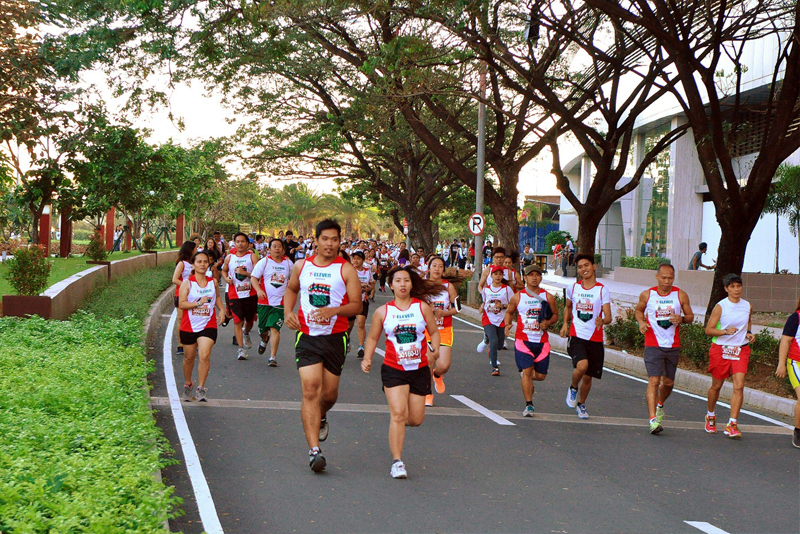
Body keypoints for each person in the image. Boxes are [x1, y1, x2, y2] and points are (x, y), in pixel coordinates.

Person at [284, 219, 363, 472]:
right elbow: (291, 289)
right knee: (310, 390)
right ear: (316, 240)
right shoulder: (301, 266)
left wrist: (334, 311)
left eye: (334, 239)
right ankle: (314, 450)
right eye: (325, 239)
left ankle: (322, 414)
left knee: (328, 396)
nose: (330, 244)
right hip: (307, 337)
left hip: (335, 338)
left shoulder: (346, 270)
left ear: (340, 241)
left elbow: (357, 306)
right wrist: (287, 311)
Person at [360, 266, 443, 479]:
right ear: (391, 285)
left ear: (411, 284)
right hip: (393, 368)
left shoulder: (422, 308)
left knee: (414, 419)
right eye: (398, 281)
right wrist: (368, 358)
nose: (403, 284)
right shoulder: (383, 312)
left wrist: (433, 352)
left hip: (418, 369)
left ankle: (396, 424)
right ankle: (397, 462)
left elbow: (434, 332)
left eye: (406, 280)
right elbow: (372, 338)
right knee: (398, 414)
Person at [634, 263, 694, 434]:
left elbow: (690, 316)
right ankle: (653, 420)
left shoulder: (680, 295)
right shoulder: (648, 294)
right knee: (654, 381)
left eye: (670, 278)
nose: (667, 281)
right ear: (657, 277)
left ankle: (660, 405)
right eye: (664, 278)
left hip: (672, 345)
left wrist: (681, 318)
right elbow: (638, 310)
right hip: (653, 344)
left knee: (668, 383)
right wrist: (641, 322)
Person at [560, 253, 612, 419]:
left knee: (588, 376)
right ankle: (573, 387)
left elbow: (609, 317)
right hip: (577, 335)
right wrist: (565, 324)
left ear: (594, 266)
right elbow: (568, 307)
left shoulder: (602, 290)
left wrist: (601, 321)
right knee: (581, 366)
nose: (584, 269)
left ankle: (581, 404)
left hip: (595, 338)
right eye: (580, 267)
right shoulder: (573, 288)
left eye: (586, 265)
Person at [703, 273, 754, 438]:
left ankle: (732, 423)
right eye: (732, 286)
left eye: (738, 286)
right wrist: (725, 331)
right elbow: (708, 329)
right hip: (721, 349)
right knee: (717, 386)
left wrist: (749, 332)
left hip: (740, 349)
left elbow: (748, 321)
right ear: (726, 289)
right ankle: (710, 415)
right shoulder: (721, 307)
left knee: (739, 386)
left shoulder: (747, 305)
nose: (736, 289)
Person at [504, 264, 558, 415]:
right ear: (525, 278)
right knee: (527, 371)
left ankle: (526, 378)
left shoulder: (548, 297)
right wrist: (508, 324)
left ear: (541, 277)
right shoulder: (518, 297)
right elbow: (509, 312)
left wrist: (548, 323)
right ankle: (529, 405)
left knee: (540, 376)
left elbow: (555, 315)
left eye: (537, 274)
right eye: (531, 275)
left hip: (542, 342)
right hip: (523, 341)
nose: (534, 277)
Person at [178, 250, 226, 402]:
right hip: (189, 325)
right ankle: (188, 383)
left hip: (208, 324)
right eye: (199, 261)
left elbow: (217, 297)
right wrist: (198, 303)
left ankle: (201, 388)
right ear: (193, 264)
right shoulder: (187, 283)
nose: (203, 264)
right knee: (189, 357)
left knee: (204, 355)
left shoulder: (213, 282)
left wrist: (222, 310)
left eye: (205, 261)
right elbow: (182, 304)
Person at [251, 238, 293, 366]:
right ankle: (264, 339)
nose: (277, 248)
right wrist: (258, 290)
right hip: (264, 302)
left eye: (279, 246)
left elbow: (293, 279)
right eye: (274, 246)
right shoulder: (264, 262)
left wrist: (290, 288)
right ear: (269, 249)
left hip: (280, 302)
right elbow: (254, 278)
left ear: (283, 249)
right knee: (262, 329)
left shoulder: (289, 263)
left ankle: (272, 357)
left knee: (275, 328)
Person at [423, 256, 459, 406]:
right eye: (434, 266)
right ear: (429, 268)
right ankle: (428, 394)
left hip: (444, 329)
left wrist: (443, 313)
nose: (437, 269)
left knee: (443, 365)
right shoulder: (422, 286)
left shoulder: (448, 286)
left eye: (440, 266)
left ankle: (437, 375)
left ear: (443, 270)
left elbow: (458, 308)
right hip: (426, 330)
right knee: (428, 361)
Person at [222, 233, 259, 360]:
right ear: (234, 243)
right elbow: (224, 270)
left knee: (249, 321)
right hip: (234, 294)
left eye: (243, 241)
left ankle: (246, 332)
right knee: (237, 320)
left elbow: (258, 275)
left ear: (247, 244)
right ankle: (241, 349)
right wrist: (226, 278)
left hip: (250, 294)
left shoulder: (252, 257)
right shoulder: (229, 257)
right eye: (238, 241)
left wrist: (246, 273)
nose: (240, 244)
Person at [477, 265, 513, 376]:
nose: (497, 276)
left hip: (502, 319)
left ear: (503, 276)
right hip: (488, 318)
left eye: (500, 274)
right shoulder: (486, 289)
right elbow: (483, 304)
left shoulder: (507, 289)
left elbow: (513, 305)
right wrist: (481, 308)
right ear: (491, 276)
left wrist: (503, 305)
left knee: (499, 344)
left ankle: (489, 344)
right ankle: (495, 367)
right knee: (494, 341)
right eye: (495, 274)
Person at [775, 295, 800, 448]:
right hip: (796, 363)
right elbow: (785, 340)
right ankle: (798, 430)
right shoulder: (795, 317)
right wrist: (781, 364)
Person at [172, 241, 198, 356]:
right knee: (181, 319)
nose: (197, 251)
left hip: (195, 295)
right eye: (195, 249)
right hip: (181, 295)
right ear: (190, 250)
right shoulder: (182, 264)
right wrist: (186, 286)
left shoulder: (196, 263)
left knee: (194, 319)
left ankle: (193, 343)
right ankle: (181, 344)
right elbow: (175, 279)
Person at [351, 251, 375, 358]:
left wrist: (367, 288)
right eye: (354, 258)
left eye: (358, 259)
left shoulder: (367, 271)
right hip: (350, 301)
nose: (356, 261)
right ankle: (346, 339)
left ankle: (361, 347)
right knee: (348, 325)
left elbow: (371, 284)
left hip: (363, 300)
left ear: (363, 260)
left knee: (361, 323)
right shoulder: (350, 270)